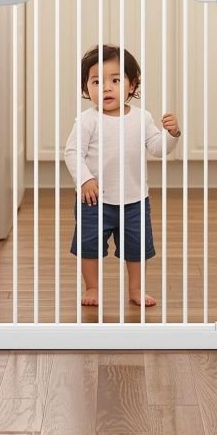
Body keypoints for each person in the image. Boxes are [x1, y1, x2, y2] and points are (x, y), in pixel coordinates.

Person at [64, 44, 181, 308]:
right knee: (89, 245)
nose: (106, 87)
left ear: (131, 85)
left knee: (137, 248)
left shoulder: (142, 118)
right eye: (96, 81)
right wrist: (85, 179)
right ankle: (92, 286)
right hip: (94, 200)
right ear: (86, 88)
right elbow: (73, 153)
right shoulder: (87, 120)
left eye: (115, 80)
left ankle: (136, 288)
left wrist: (171, 136)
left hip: (135, 199)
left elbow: (157, 148)